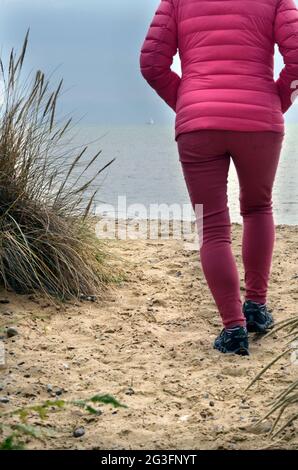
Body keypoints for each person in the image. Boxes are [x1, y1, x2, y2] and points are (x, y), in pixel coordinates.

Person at [139, 0, 298, 355]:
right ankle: (256, 307)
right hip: (259, 120)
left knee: (211, 226)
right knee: (258, 209)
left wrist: (187, 102)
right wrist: (276, 99)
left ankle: (233, 328)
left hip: (198, 124)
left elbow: (151, 64)